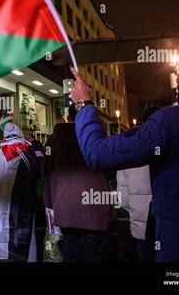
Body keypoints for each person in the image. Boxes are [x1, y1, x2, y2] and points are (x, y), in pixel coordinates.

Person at [70, 38, 179, 262]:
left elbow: (97, 153)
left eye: (178, 70)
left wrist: (84, 104)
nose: (177, 77)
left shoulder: (172, 123)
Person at [42, 105, 113, 262]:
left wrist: (51, 206)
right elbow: (110, 170)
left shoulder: (52, 141)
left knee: (70, 254)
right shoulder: (96, 136)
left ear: (68, 117)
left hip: (65, 206)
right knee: (94, 255)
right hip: (94, 205)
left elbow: (46, 176)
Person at [0, 122, 40, 262]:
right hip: (24, 199)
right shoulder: (26, 148)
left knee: (3, 228)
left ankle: (2, 254)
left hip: (1, 198)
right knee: (26, 233)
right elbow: (37, 173)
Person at [116, 106, 160, 262]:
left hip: (140, 225)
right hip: (169, 226)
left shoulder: (129, 149)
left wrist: (135, 210)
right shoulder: (173, 145)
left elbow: (122, 197)